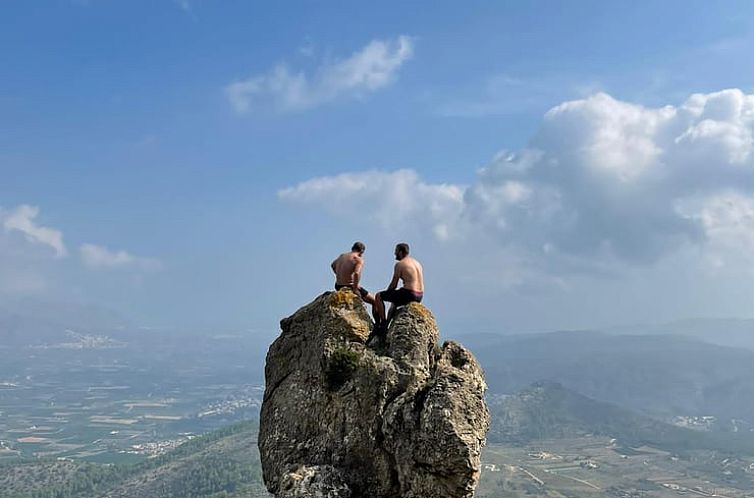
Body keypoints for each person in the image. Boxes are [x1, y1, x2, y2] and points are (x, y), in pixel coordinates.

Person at [373, 242, 424, 333]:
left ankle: (383, 323)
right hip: (419, 295)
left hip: (409, 293)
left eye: (396, 251)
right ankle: (387, 323)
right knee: (395, 302)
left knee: (378, 296)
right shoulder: (417, 263)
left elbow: (394, 284)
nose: (394, 253)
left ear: (400, 252)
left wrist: (387, 293)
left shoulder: (400, 264)